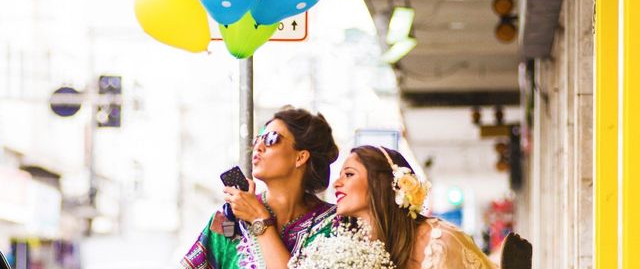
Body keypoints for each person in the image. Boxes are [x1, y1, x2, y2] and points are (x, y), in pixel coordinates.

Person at [179, 106, 339, 269]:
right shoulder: (230, 218)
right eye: (257, 140)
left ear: (300, 157)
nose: (258, 147)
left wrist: (259, 219)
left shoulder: (334, 224)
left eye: (271, 139)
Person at [332, 145, 497, 269]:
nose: (337, 184)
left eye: (349, 174)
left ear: (380, 182)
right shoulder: (349, 250)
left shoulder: (438, 240)